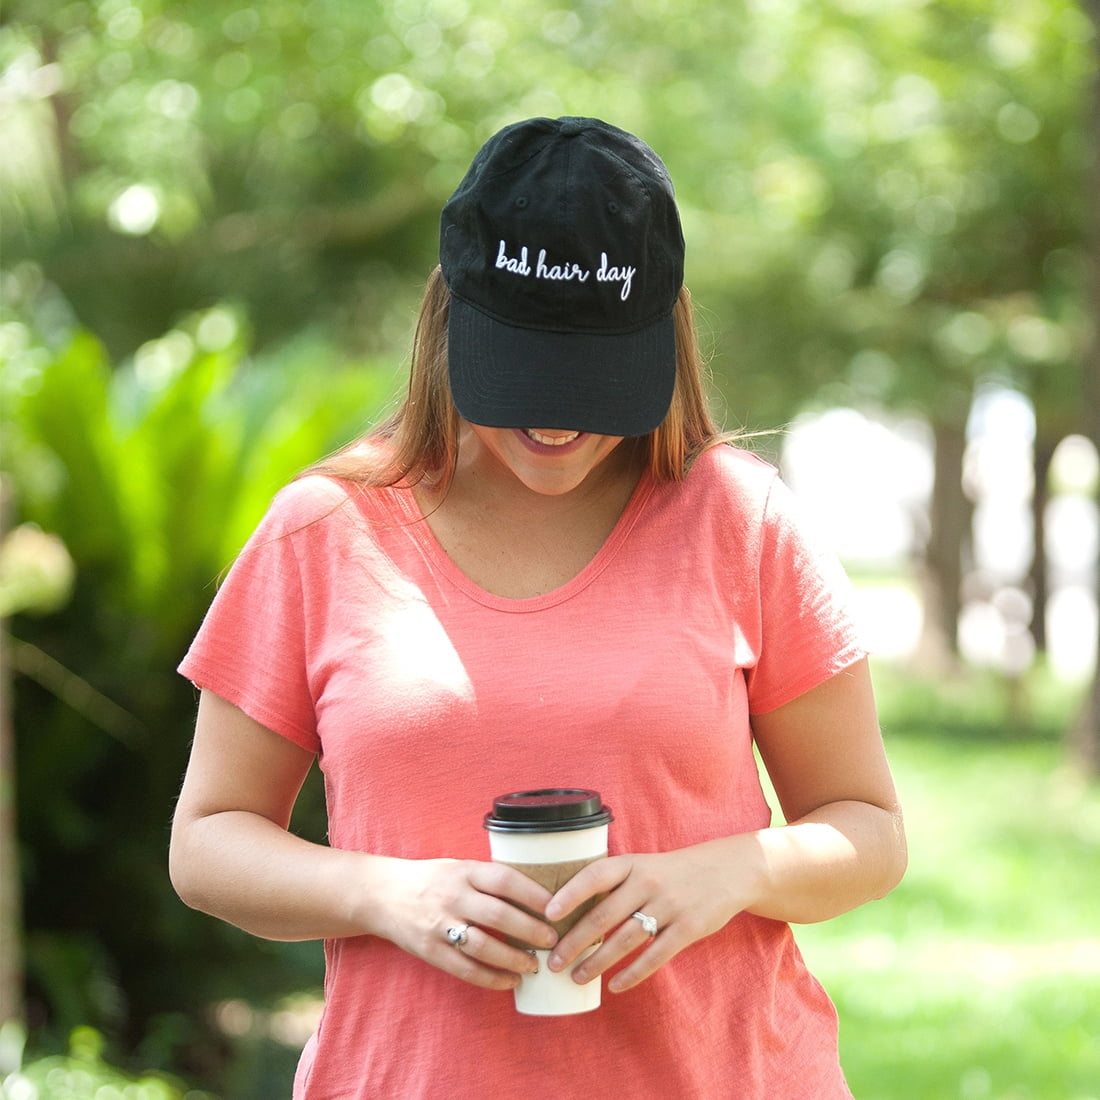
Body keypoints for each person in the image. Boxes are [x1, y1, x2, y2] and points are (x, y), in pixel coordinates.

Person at [169, 115, 907, 1099]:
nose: (555, 420)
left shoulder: (739, 519)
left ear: (661, 333)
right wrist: (388, 890)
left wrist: (727, 870)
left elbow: (865, 827)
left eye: (590, 380)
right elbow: (209, 839)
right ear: (449, 316)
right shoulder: (325, 529)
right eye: (520, 376)